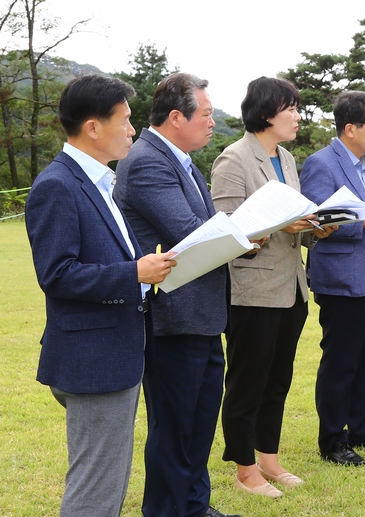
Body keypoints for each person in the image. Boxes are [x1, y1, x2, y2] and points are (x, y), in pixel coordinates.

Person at [25, 74, 176, 517]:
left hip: (116, 350)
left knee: (109, 478)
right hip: (93, 359)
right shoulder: (59, 185)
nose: (133, 130)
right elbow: (57, 275)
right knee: (95, 485)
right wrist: (134, 273)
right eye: (126, 121)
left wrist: (147, 272)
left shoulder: (98, 181)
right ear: (93, 127)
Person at [113, 73, 238, 517]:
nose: (211, 123)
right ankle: (167, 509)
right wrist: (243, 233)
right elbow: (188, 233)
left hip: (201, 312)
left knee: (200, 419)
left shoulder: (181, 159)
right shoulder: (148, 161)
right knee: (175, 424)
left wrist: (243, 233)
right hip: (171, 315)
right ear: (174, 117)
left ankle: (194, 505)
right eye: (205, 114)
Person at [210, 77, 334, 498]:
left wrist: (317, 228)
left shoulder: (286, 158)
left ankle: (269, 458)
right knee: (248, 380)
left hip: (292, 287)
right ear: (266, 113)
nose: (298, 116)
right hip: (253, 290)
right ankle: (244, 468)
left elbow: (292, 226)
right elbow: (227, 236)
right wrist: (283, 225)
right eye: (291, 108)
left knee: (277, 379)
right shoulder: (233, 160)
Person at [301, 91, 365, 466]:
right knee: (341, 361)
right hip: (344, 277)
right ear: (350, 129)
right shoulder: (321, 164)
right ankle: (332, 440)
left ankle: (361, 431)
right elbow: (319, 222)